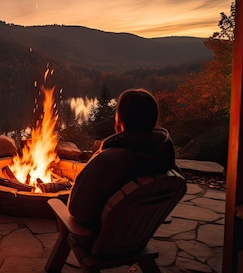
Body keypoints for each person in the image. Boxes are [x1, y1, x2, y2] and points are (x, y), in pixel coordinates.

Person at [67, 88, 177, 233]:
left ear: (121, 118)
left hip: (102, 236)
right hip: (135, 233)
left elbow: (77, 209)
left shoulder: (107, 160)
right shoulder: (163, 154)